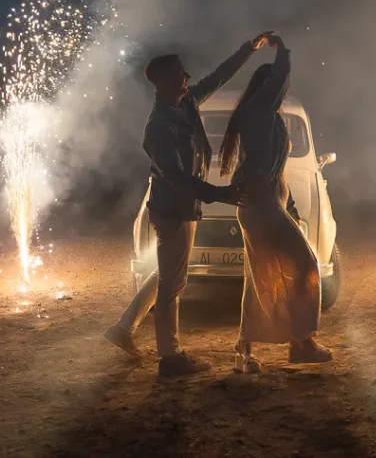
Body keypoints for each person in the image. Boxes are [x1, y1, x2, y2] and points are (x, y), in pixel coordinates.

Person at [104, 31, 273, 377]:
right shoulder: (158, 127)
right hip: (173, 210)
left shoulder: (186, 103)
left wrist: (248, 49)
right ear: (164, 81)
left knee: (169, 272)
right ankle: (171, 358)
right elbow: (176, 176)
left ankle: (124, 327)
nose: (187, 77)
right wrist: (220, 193)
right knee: (173, 285)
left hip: (180, 207)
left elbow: (218, 76)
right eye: (180, 74)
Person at [219, 34, 332, 373]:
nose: (281, 91)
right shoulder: (259, 111)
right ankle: (300, 341)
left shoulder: (265, 117)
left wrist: (289, 207)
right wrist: (281, 48)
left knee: (261, 276)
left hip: (267, 204)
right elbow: (281, 75)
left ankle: (248, 349)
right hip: (261, 206)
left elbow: (276, 169)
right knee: (305, 264)